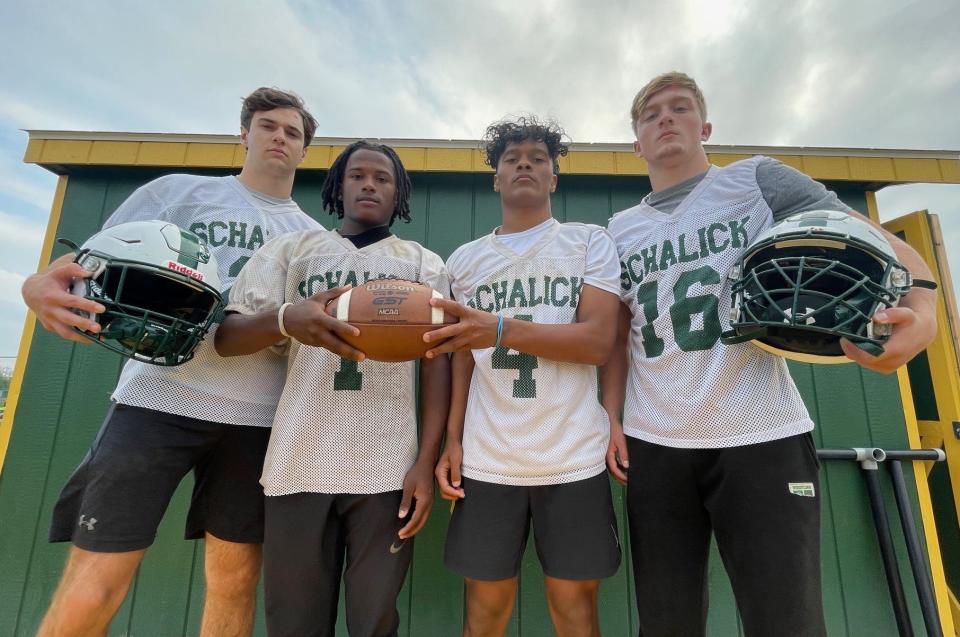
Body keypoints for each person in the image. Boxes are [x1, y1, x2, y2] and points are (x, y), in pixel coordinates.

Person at [601, 71, 939, 637]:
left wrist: (923, 311)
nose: (665, 117)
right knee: (665, 624)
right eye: (650, 112)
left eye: (680, 107)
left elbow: (870, 237)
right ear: (636, 142)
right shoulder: (618, 230)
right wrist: (610, 417)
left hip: (759, 430)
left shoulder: (756, 180)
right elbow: (618, 337)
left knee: (787, 621)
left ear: (704, 126)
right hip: (655, 438)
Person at [21, 87, 324, 637]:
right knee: (101, 569)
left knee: (234, 581)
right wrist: (34, 284)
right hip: (157, 398)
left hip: (257, 416)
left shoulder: (313, 238)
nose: (279, 137)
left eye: (292, 132)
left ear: (306, 149)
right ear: (244, 134)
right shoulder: (176, 193)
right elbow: (86, 264)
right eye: (267, 126)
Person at [214, 140, 450, 637]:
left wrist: (424, 464)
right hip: (299, 460)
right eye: (358, 175)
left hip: (386, 465)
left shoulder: (423, 264)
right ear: (337, 186)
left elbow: (437, 367)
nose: (369, 184)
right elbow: (228, 338)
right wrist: (286, 319)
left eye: (382, 178)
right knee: (295, 623)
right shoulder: (292, 250)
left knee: (375, 621)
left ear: (399, 193)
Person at [428, 116, 622, 637]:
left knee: (576, 612)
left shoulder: (588, 242)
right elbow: (461, 357)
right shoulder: (465, 261)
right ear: (496, 178)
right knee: (485, 615)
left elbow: (598, 342)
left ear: (554, 178)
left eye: (538, 158)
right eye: (513, 159)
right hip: (490, 456)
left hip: (573, 453)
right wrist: (452, 441)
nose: (525, 165)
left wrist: (499, 327)